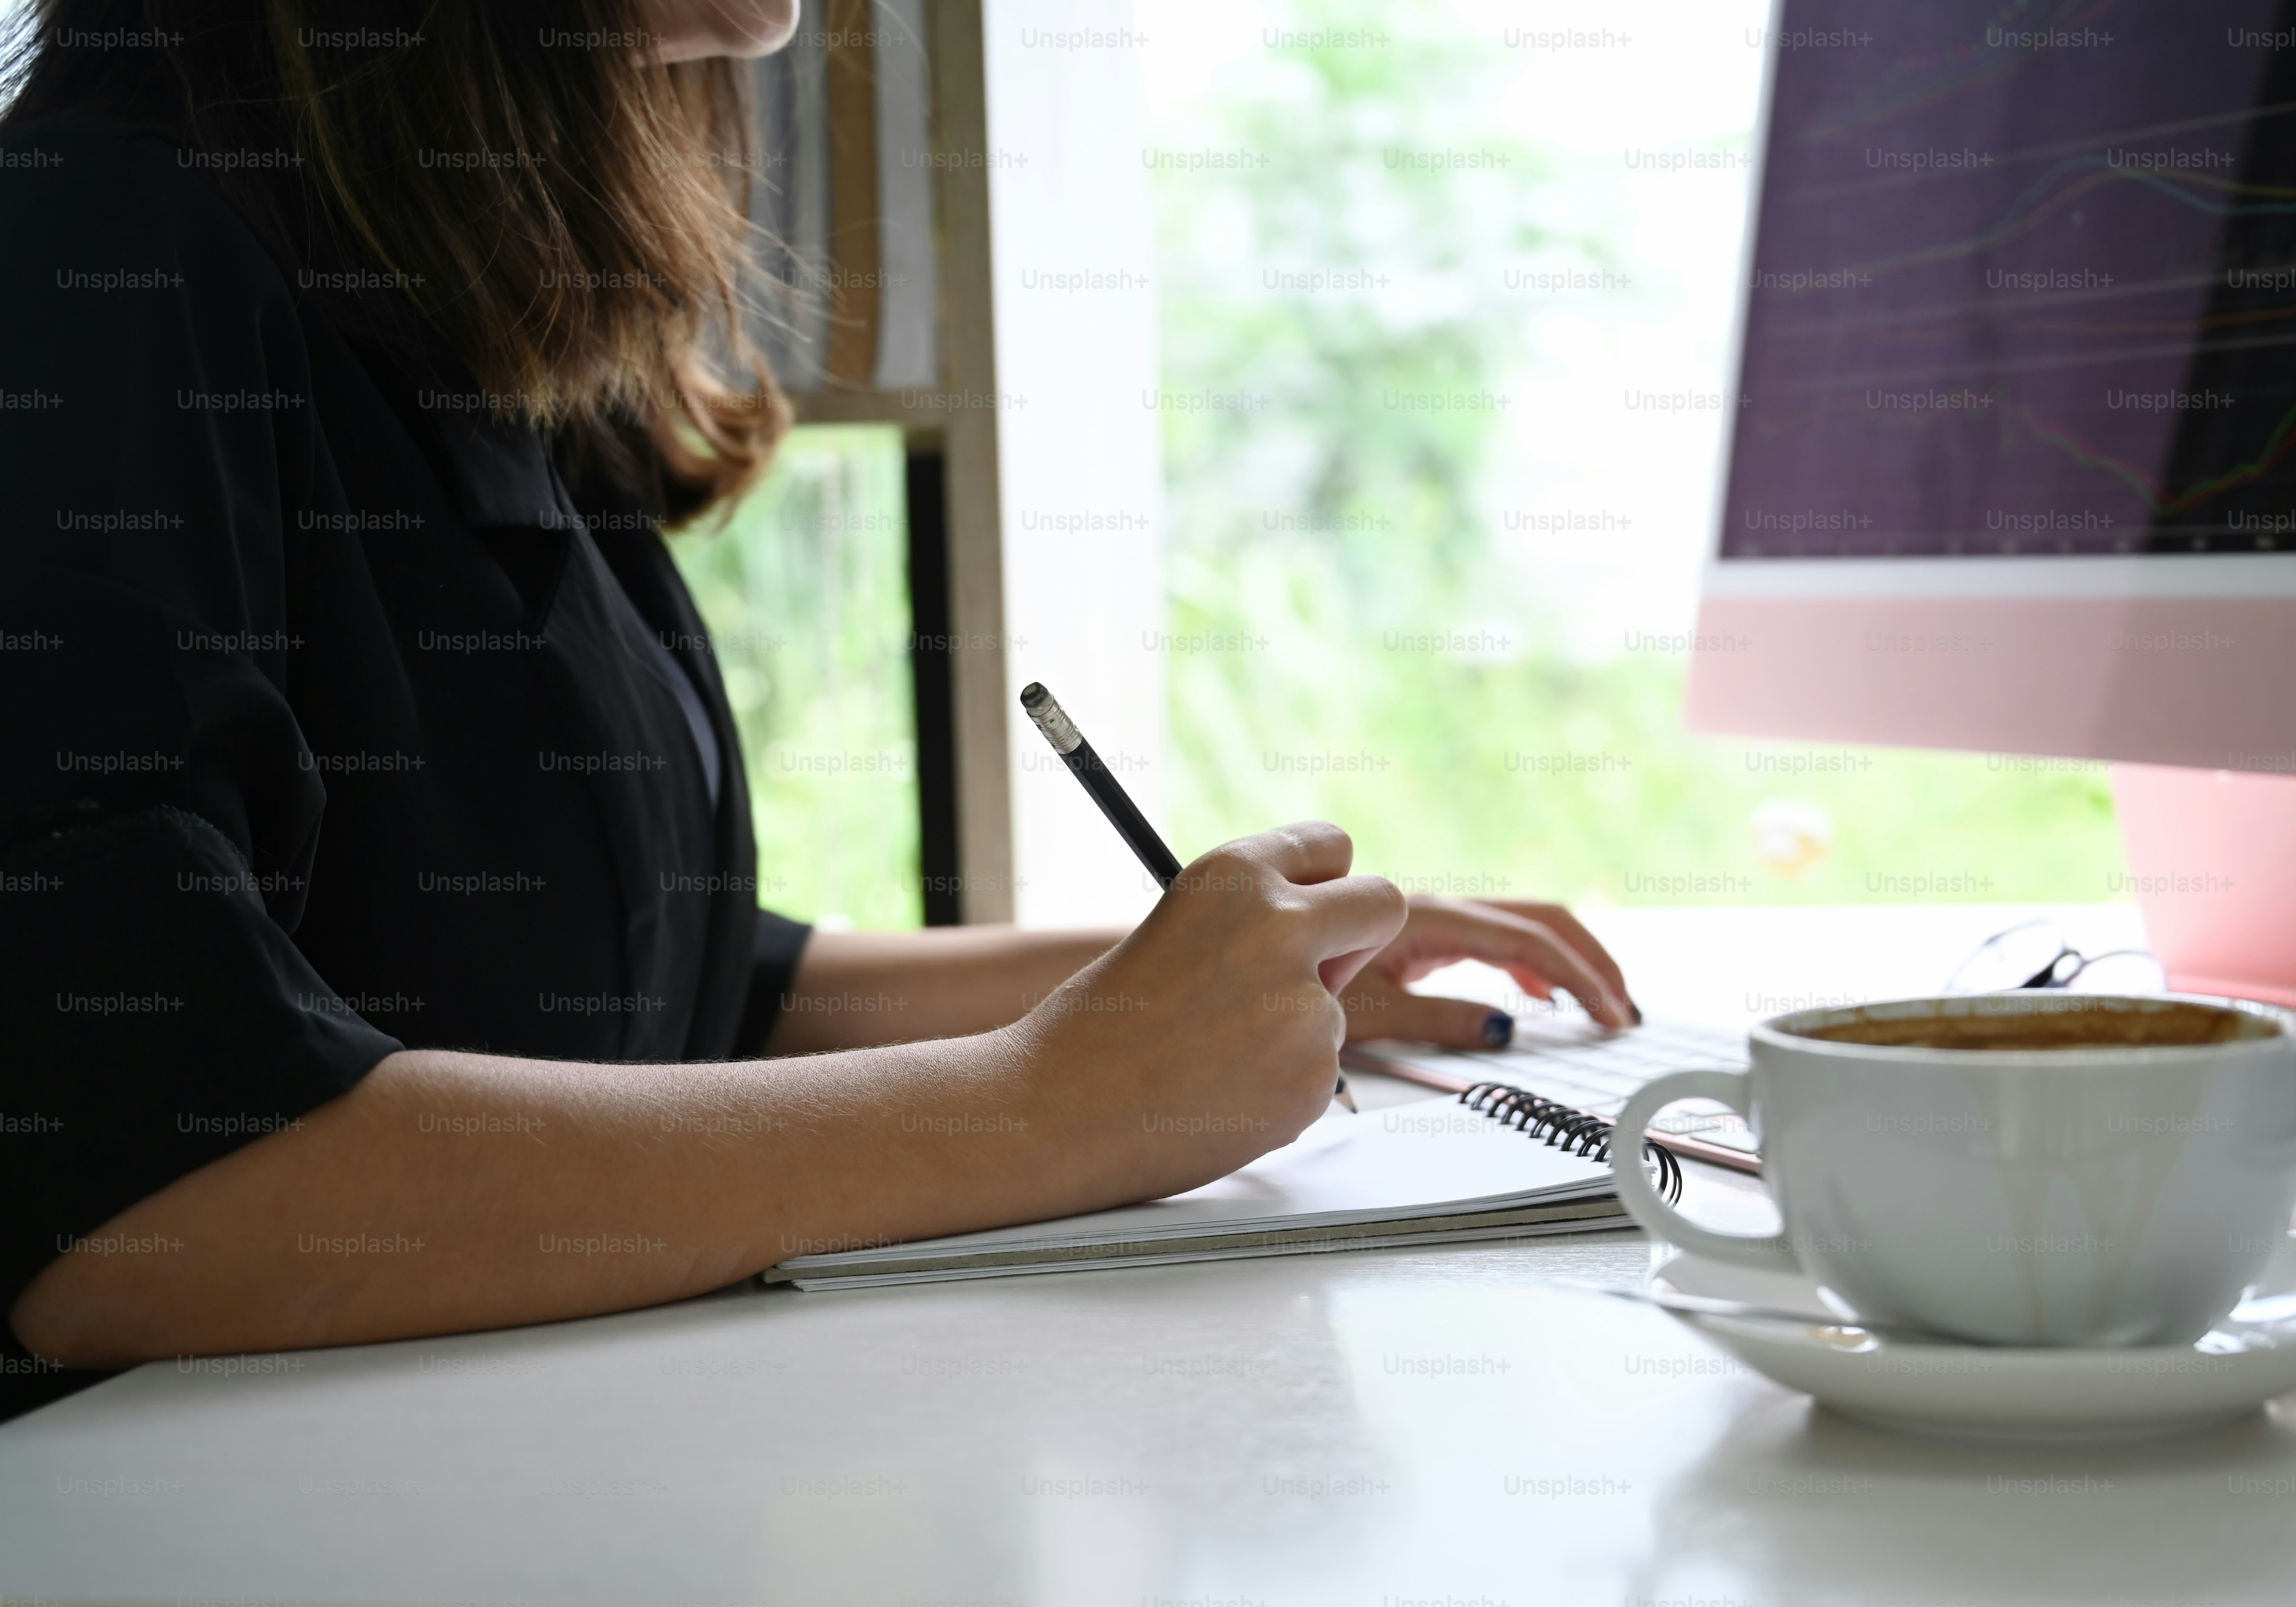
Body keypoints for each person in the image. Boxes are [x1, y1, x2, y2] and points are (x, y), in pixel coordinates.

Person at [0, 0, 1639, 1420]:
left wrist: (1201, 988)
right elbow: (136, 1196)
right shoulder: (91, 247)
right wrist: (1056, 1106)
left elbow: (673, 993)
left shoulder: (453, 293)